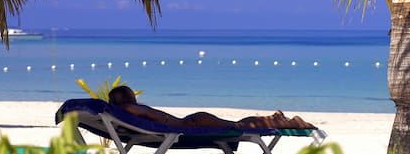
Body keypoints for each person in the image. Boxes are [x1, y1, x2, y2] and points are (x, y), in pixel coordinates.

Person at [109, 86, 317, 129]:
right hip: (192, 122)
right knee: (239, 126)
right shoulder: (130, 110)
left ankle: (283, 121)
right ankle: (278, 119)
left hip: (193, 123)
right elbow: (139, 111)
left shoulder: (126, 111)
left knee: (239, 127)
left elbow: (139, 112)